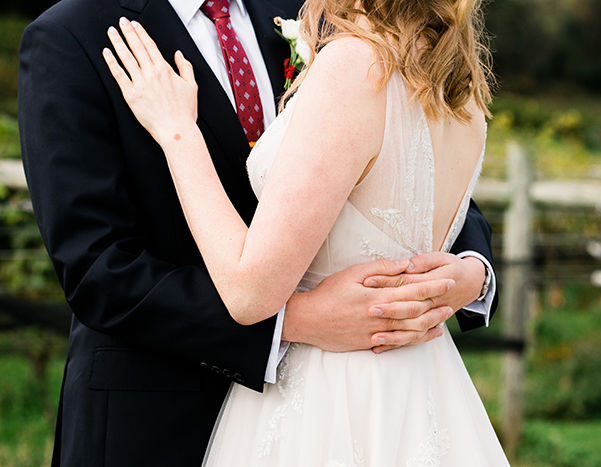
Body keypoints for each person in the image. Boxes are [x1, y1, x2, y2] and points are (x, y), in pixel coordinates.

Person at [18, 0, 497, 465]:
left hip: (332, 409)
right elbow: (98, 269)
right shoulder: (71, 35)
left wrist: (472, 273)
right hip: (154, 414)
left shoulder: (327, 20)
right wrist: (298, 320)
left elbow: (405, 169)